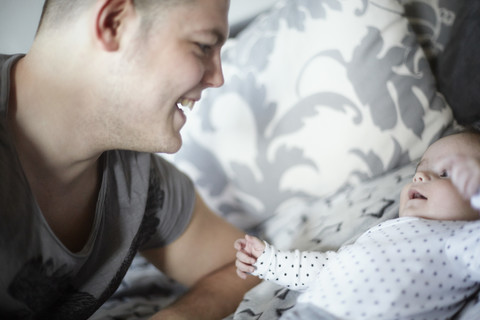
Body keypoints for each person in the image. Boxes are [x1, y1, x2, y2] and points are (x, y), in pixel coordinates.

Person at [0, 0, 260, 319]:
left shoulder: (138, 182)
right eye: (203, 45)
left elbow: (247, 266)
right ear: (114, 23)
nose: (217, 78)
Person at [235, 130, 480, 320]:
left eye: (447, 173)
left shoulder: (459, 239)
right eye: (419, 170)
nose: (419, 177)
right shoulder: (390, 230)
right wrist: (269, 261)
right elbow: (328, 268)